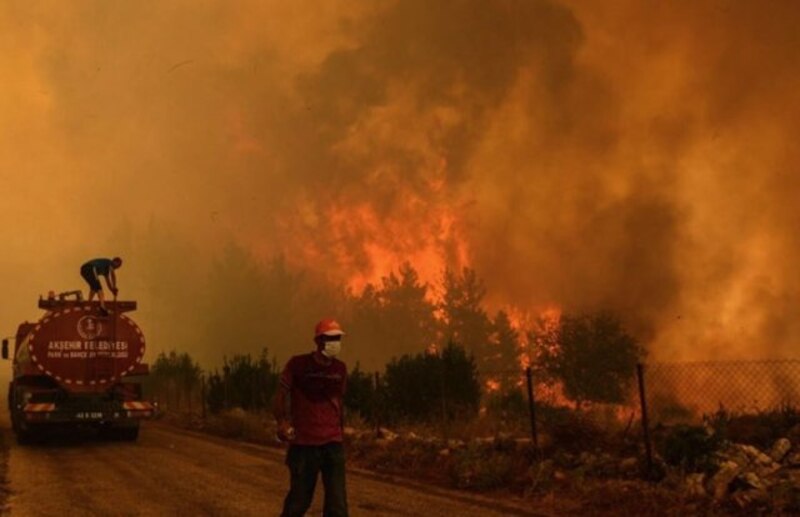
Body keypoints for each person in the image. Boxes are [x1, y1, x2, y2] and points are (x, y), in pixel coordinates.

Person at [273, 318, 349, 517]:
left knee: (338, 506)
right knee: (298, 502)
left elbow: (339, 403)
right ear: (318, 341)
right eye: (330, 338)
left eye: (338, 338)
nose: (335, 342)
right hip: (304, 445)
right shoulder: (298, 365)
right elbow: (281, 394)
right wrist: (282, 422)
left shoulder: (340, 369)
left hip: (333, 444)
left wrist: (341, 434)